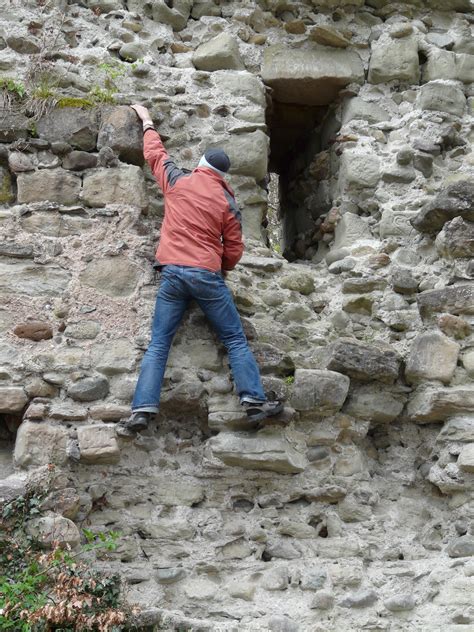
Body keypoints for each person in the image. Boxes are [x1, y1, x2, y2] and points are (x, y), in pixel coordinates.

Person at [119, 104, 283, 435]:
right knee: (235, 339)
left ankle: (142, 410)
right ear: (222, 175)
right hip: (207, 275)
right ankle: (253, 402)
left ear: (200, 165)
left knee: (159, 343)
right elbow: (235, 248)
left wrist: (147, 120)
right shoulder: (227, 201)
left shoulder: (178, 181)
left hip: (173, 274)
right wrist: (219, 267)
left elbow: (155, 154)